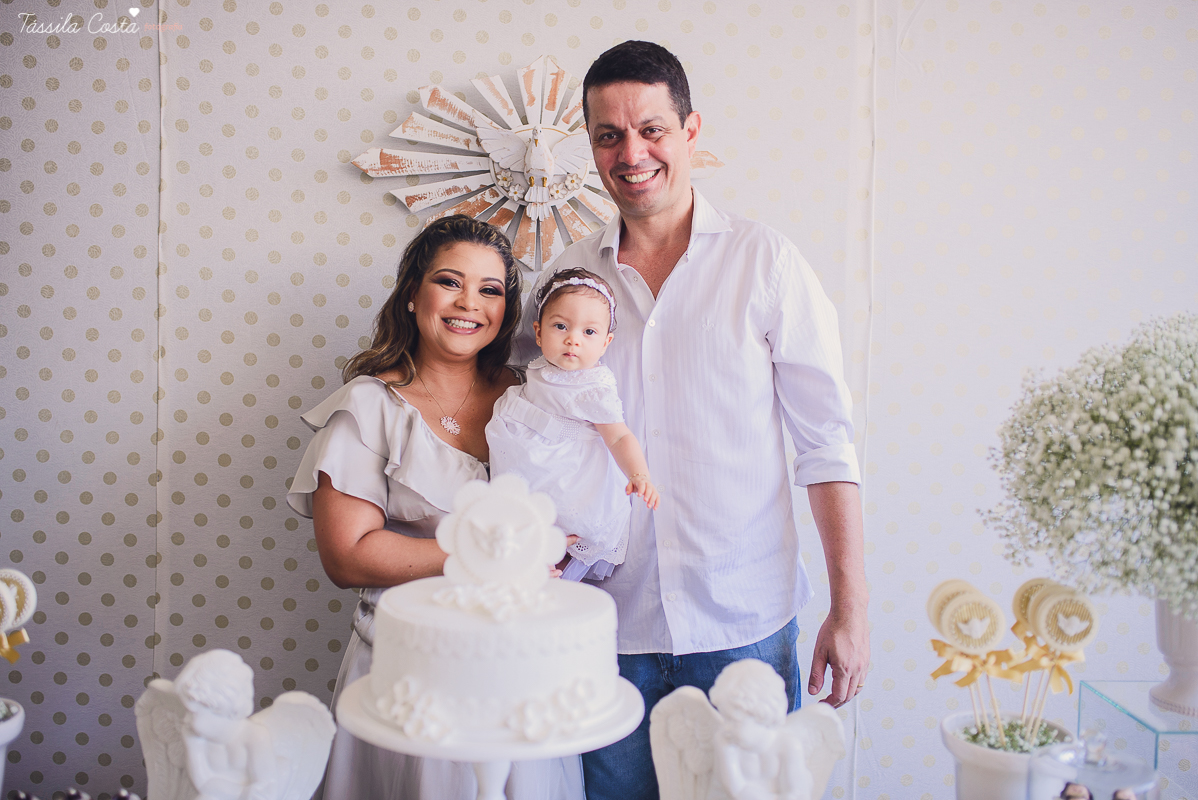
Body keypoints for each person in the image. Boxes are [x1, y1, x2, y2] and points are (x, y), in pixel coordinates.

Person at [519, 41, 870, 800]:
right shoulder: (563, 282)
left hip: (743, 628)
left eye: (652, 129)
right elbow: (524, 424)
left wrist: (850, 610)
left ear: (690, 130)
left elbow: (826, 446)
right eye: (609, 135)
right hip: (603, 632)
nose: (631, 153)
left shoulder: (766, 262)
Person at [286, 215, 584, 800]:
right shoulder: (370, 406)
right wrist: (488, 558)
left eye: (490, 290)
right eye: (449, 282)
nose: (469, 303)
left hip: (525, 667)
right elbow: (346, 556)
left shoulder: (533, 397)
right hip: (410, 668)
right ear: (412, 293)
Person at [487, 267, 659, 582]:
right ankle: (529, 558)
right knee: (519, 513)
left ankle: (555, 565)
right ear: (538, 333)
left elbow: (619, 437)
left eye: (589, 332)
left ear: (606, 342)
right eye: (561, 326)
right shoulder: (538, 366)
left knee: (563, 520)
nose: (572, 339)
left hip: (570, 472)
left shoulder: (595, 386)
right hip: (529, 457)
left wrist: (639, 474)